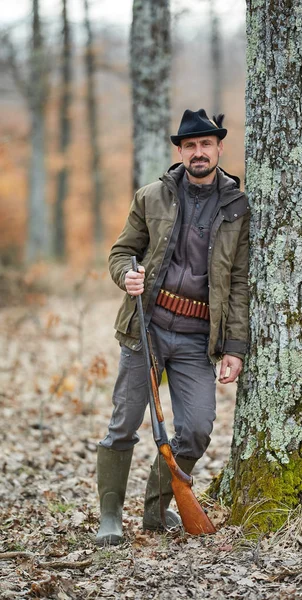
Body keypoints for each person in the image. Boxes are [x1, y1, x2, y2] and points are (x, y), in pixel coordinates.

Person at [96, 108, 250, 545]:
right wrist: (126, 273)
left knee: (197, 428)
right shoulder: (151, 196)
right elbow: (121, 251)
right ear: (179, 151)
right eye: (189, 146)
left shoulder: (238, 206)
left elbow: (239, 280)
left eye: (205, 144)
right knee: (123, 424)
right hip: (147, 328)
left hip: (199, 338)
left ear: (219, 148)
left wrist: (235, 347)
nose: (198, 152)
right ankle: (109, 517)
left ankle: (156, 510)